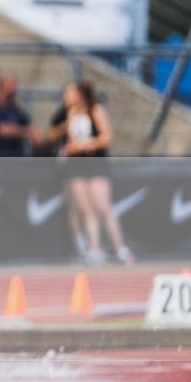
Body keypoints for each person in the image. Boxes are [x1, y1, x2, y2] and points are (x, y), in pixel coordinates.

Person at [47, 80, 130, 265]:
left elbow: (106, 137)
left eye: (70, 93)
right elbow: (52, 135)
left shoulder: (95, 110)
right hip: (75, 167)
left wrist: (83, 145)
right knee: (85, 209)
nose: (66, 97)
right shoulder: (66, 113)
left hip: (94, 164)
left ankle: (121, 249)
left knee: (103, 206)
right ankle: (94, 249)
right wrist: (66, 127)